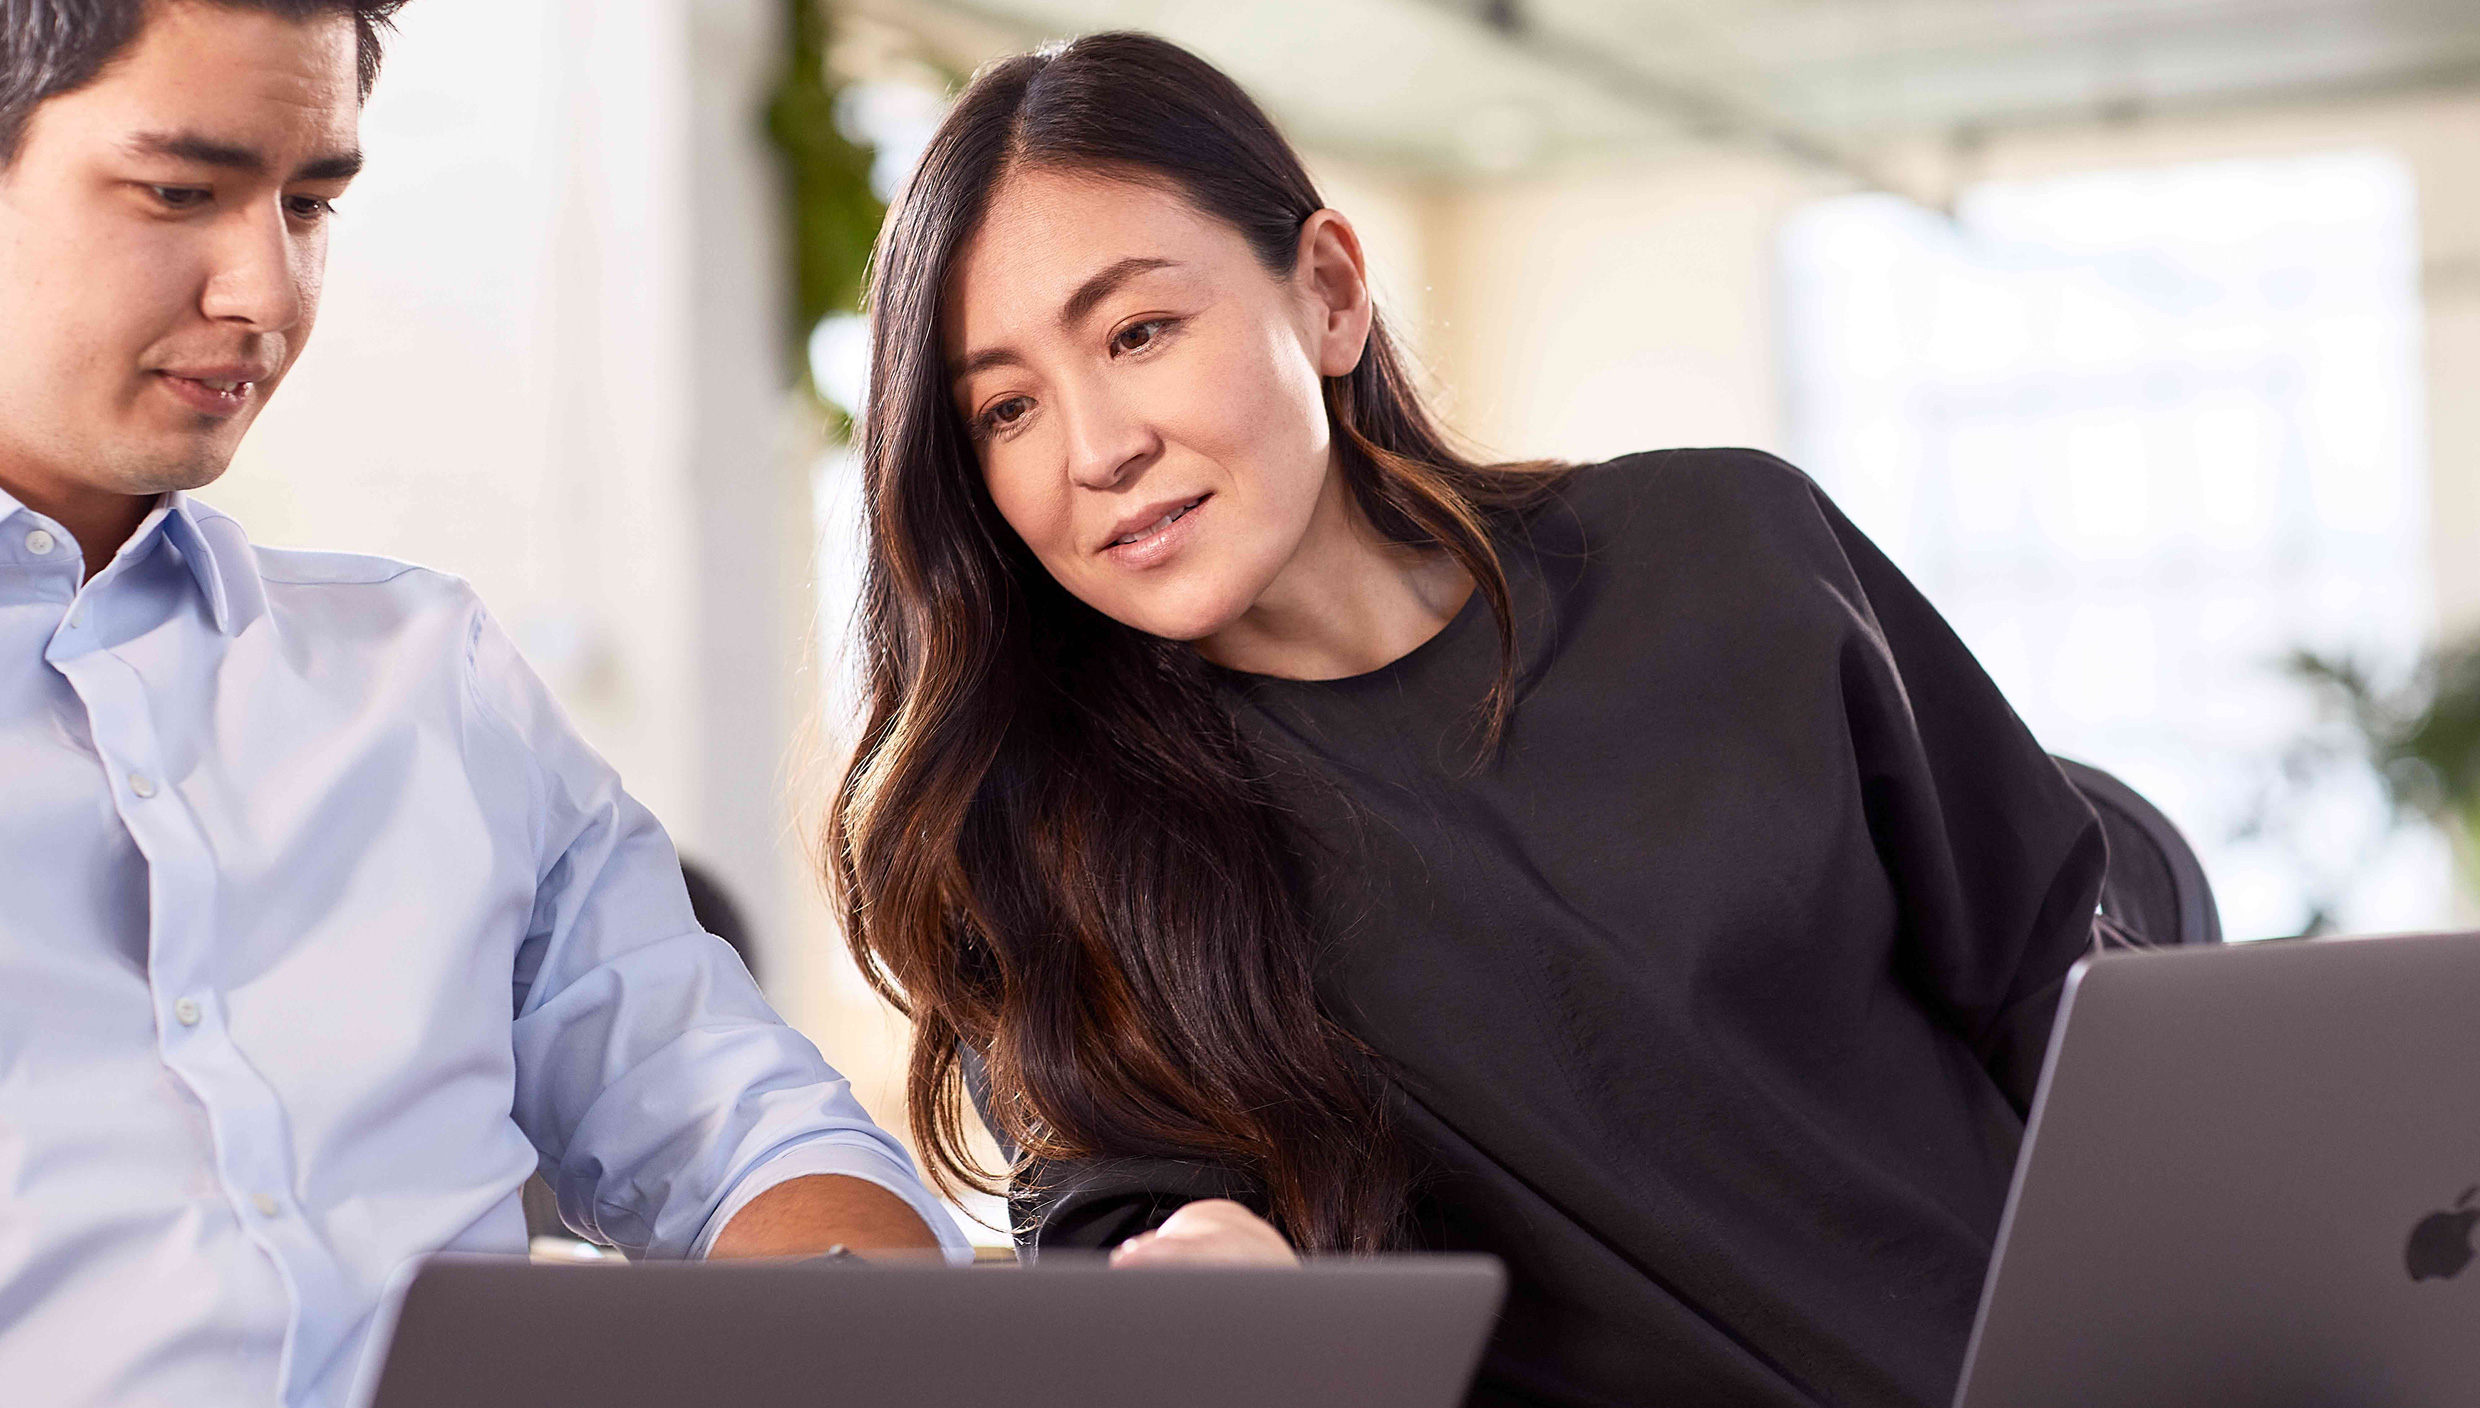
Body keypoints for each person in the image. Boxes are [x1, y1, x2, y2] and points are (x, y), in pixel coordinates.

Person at [828, 31, 2105, 1408]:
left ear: (1327, 293)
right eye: (1007, 408)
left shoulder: (1729, 549)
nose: (1096, 449)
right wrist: (1201, 1267)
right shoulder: (1049, 843)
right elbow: (1124, 1230)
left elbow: (2068, 1007)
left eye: (1138, 333)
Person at [0, 4, 964, 1404]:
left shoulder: (424, 680)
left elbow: (750, 1133)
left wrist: (853, 1339)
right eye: (181, 193)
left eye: (313, 200)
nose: (265, 295)